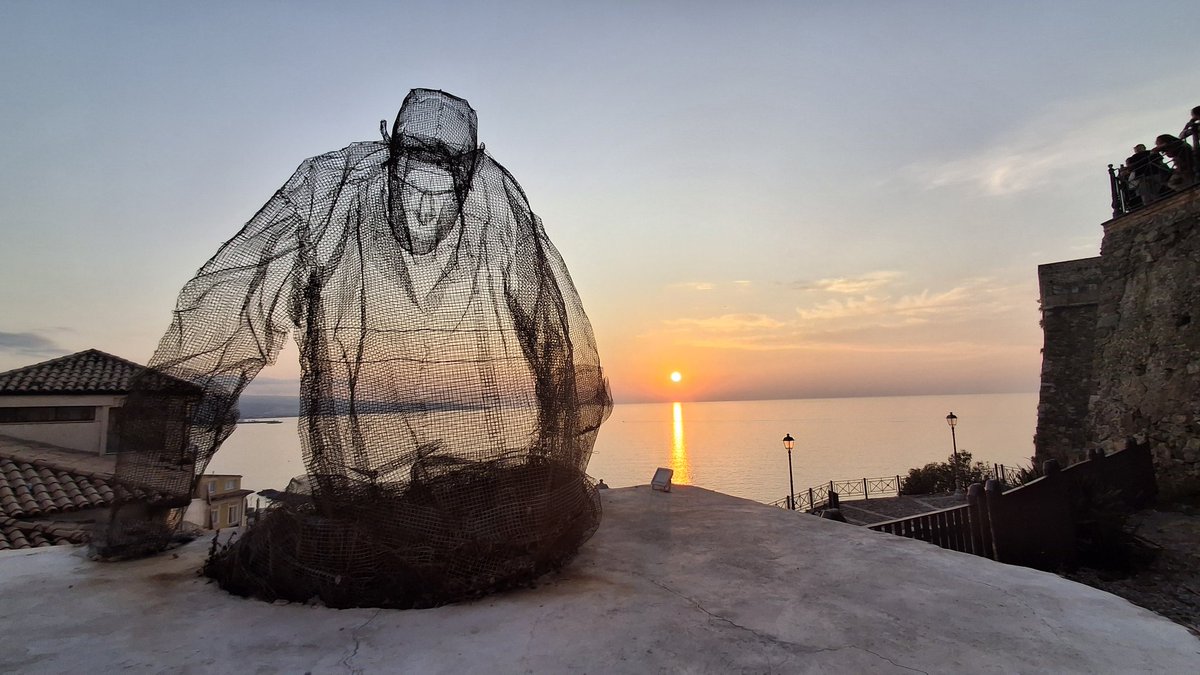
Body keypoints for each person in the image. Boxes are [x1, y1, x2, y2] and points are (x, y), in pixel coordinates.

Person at [95, 90, 613, 607]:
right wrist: (154, 488)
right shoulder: (325, 194)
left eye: (442, 193)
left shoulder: (499, 207)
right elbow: (225, 318)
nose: (424, 207)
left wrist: (561, 440)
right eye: (411, 185)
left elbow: (556, 341)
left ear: (467, 178)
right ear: (391, 160)